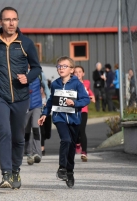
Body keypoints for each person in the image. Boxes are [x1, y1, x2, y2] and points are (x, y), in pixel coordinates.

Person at [0, 7, 41, 189]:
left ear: (18, 21)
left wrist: (27, 77)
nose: (11, 23)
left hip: (21, 96)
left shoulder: (26, 43)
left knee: (19, 137)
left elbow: (37, 68)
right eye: (7, 20)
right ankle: (5, 173)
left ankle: (15, 170)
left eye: (14, 19)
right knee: (4, 131)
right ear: (0, 22)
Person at [38, 56, 90, 188]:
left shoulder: (77, 84)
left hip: (74, 119)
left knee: (72, 146)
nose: (61, 68)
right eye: (59, 66)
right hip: (59, 117)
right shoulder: (55, 84)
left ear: (72, 69)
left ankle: (70, 171)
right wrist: (45, 113)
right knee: (65, 140)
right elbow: (50, 101)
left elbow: (86, 99)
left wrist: (75, 103)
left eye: (64, 66)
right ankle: (62, 168)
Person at [74, 66, 95, 162]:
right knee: (76, 131)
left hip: (83, 110)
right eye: (76, 72)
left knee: (82, 130)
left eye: (80, 72)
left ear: (83, 73)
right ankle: (77, 143)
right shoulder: (71, 84)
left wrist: (92, 96)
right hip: (74, 110)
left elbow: (88, 91)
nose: (78, 74)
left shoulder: (86, 83)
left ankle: (84, 152)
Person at [24, 74, 43, 165]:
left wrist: (46, 100)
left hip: (37, 106)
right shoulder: (19, 73)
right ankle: (29, 153)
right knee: (26, 130)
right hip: (25, 106)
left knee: (35, 127)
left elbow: (45, 87)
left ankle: (37, 153)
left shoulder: (39, 74)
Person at [40, 86, 51, 156]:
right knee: (42, 132)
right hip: (40, 115)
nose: (40, 90)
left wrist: (46, 104)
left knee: (48, 134)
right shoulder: (37, 98)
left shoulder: (47, 96)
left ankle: (45, 136)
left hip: (48, 115)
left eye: (41, 88)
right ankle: (42, 148)